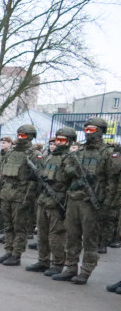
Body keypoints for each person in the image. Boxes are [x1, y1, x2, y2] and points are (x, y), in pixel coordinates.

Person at [53, 117, 114, 284]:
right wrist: (75, 172)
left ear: (101, 131)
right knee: (71, 236)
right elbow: (64, 173)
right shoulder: (78, 152)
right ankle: (70, 267)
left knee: (90, 239)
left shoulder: (107, 153)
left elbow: (112, 181)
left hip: (92, 203)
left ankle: (85, 270)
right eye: (86, 129)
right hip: (73, 200)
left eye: (92, 129)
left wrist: (108, 205)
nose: (88, 133)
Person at [0, 124, 41, 268]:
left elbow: (35, 180)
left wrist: (28, 198)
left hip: (21, 194)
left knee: (19, 227)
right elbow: (2, 174)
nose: (20, 138)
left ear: (31, 136)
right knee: (8, 225)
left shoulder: (34, 154)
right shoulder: (11, 152)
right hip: (7, 192)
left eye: (23, 135)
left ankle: (16, 254)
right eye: (19, 135)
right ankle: (8, 251)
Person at [27, 128, 74, 275]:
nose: (58, 143)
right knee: (42, 233)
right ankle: (43, 261)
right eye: (57, 140)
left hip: (57, 200)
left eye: (62, 140)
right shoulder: (49, 156)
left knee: (56, 235)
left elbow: (71, 179)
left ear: (69, 141)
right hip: (44, 199)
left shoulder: (70, 158)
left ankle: (58, 263)